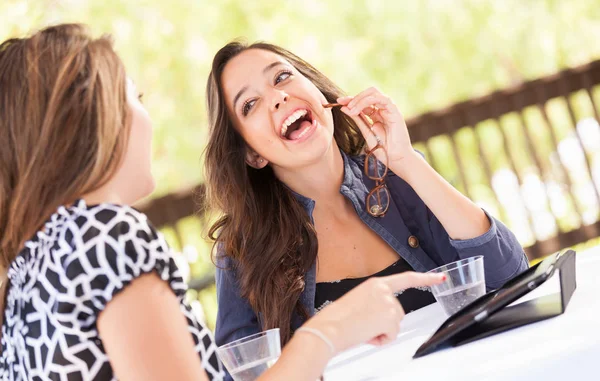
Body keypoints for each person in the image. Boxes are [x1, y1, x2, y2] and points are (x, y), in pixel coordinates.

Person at [0, 24, 446, 381]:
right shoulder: (104, 240)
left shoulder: (28, 269)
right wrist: (329, 330)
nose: (146, 115)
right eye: (133, 98)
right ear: (88, 127)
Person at [205, 40, 529, 364]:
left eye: (281, 77)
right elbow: (243, 372)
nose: (278, 97)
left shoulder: (399, 179)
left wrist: (406, 162)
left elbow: (510, 277)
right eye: (250, 104)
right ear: (252, 154)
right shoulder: (241, 251)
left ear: (319, 93)